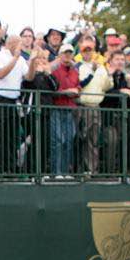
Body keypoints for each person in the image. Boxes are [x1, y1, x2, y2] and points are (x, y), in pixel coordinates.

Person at [0, 35, 32, 174]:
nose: (21, 47)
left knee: (12, 137)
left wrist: (33, 61)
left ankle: (10, 169)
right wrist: (15, 58)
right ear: (11, 44)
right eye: (19, 44)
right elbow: (0, 74)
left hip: (13, 101)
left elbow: (29, 77)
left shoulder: (21, 59)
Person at [75, 38, 111, 175]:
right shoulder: (77, 66)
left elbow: (107, 86)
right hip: (80, 106)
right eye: (85, 50)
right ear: (81, 52)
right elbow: (79, 84)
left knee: (93, 140)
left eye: (90, 50)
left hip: (95, 106)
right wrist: (92, 71)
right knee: (78, 138)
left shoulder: (101, 68)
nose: (87, 53)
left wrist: (109, 74)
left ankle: (91, 170)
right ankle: (76, 169)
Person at [49, 43, 79, 176]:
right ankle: (57, 172)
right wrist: (66, 92)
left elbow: (78, 87)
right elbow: (52, 89)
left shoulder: (75, 71)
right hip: (56, 108)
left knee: (69, 140)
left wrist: (76, 91)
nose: (67, 56)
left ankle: (66, 172)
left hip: (70, 109)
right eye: (65, 53)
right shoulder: (54, 69)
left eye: (70, 53)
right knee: (58, 140)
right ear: (60, 55)